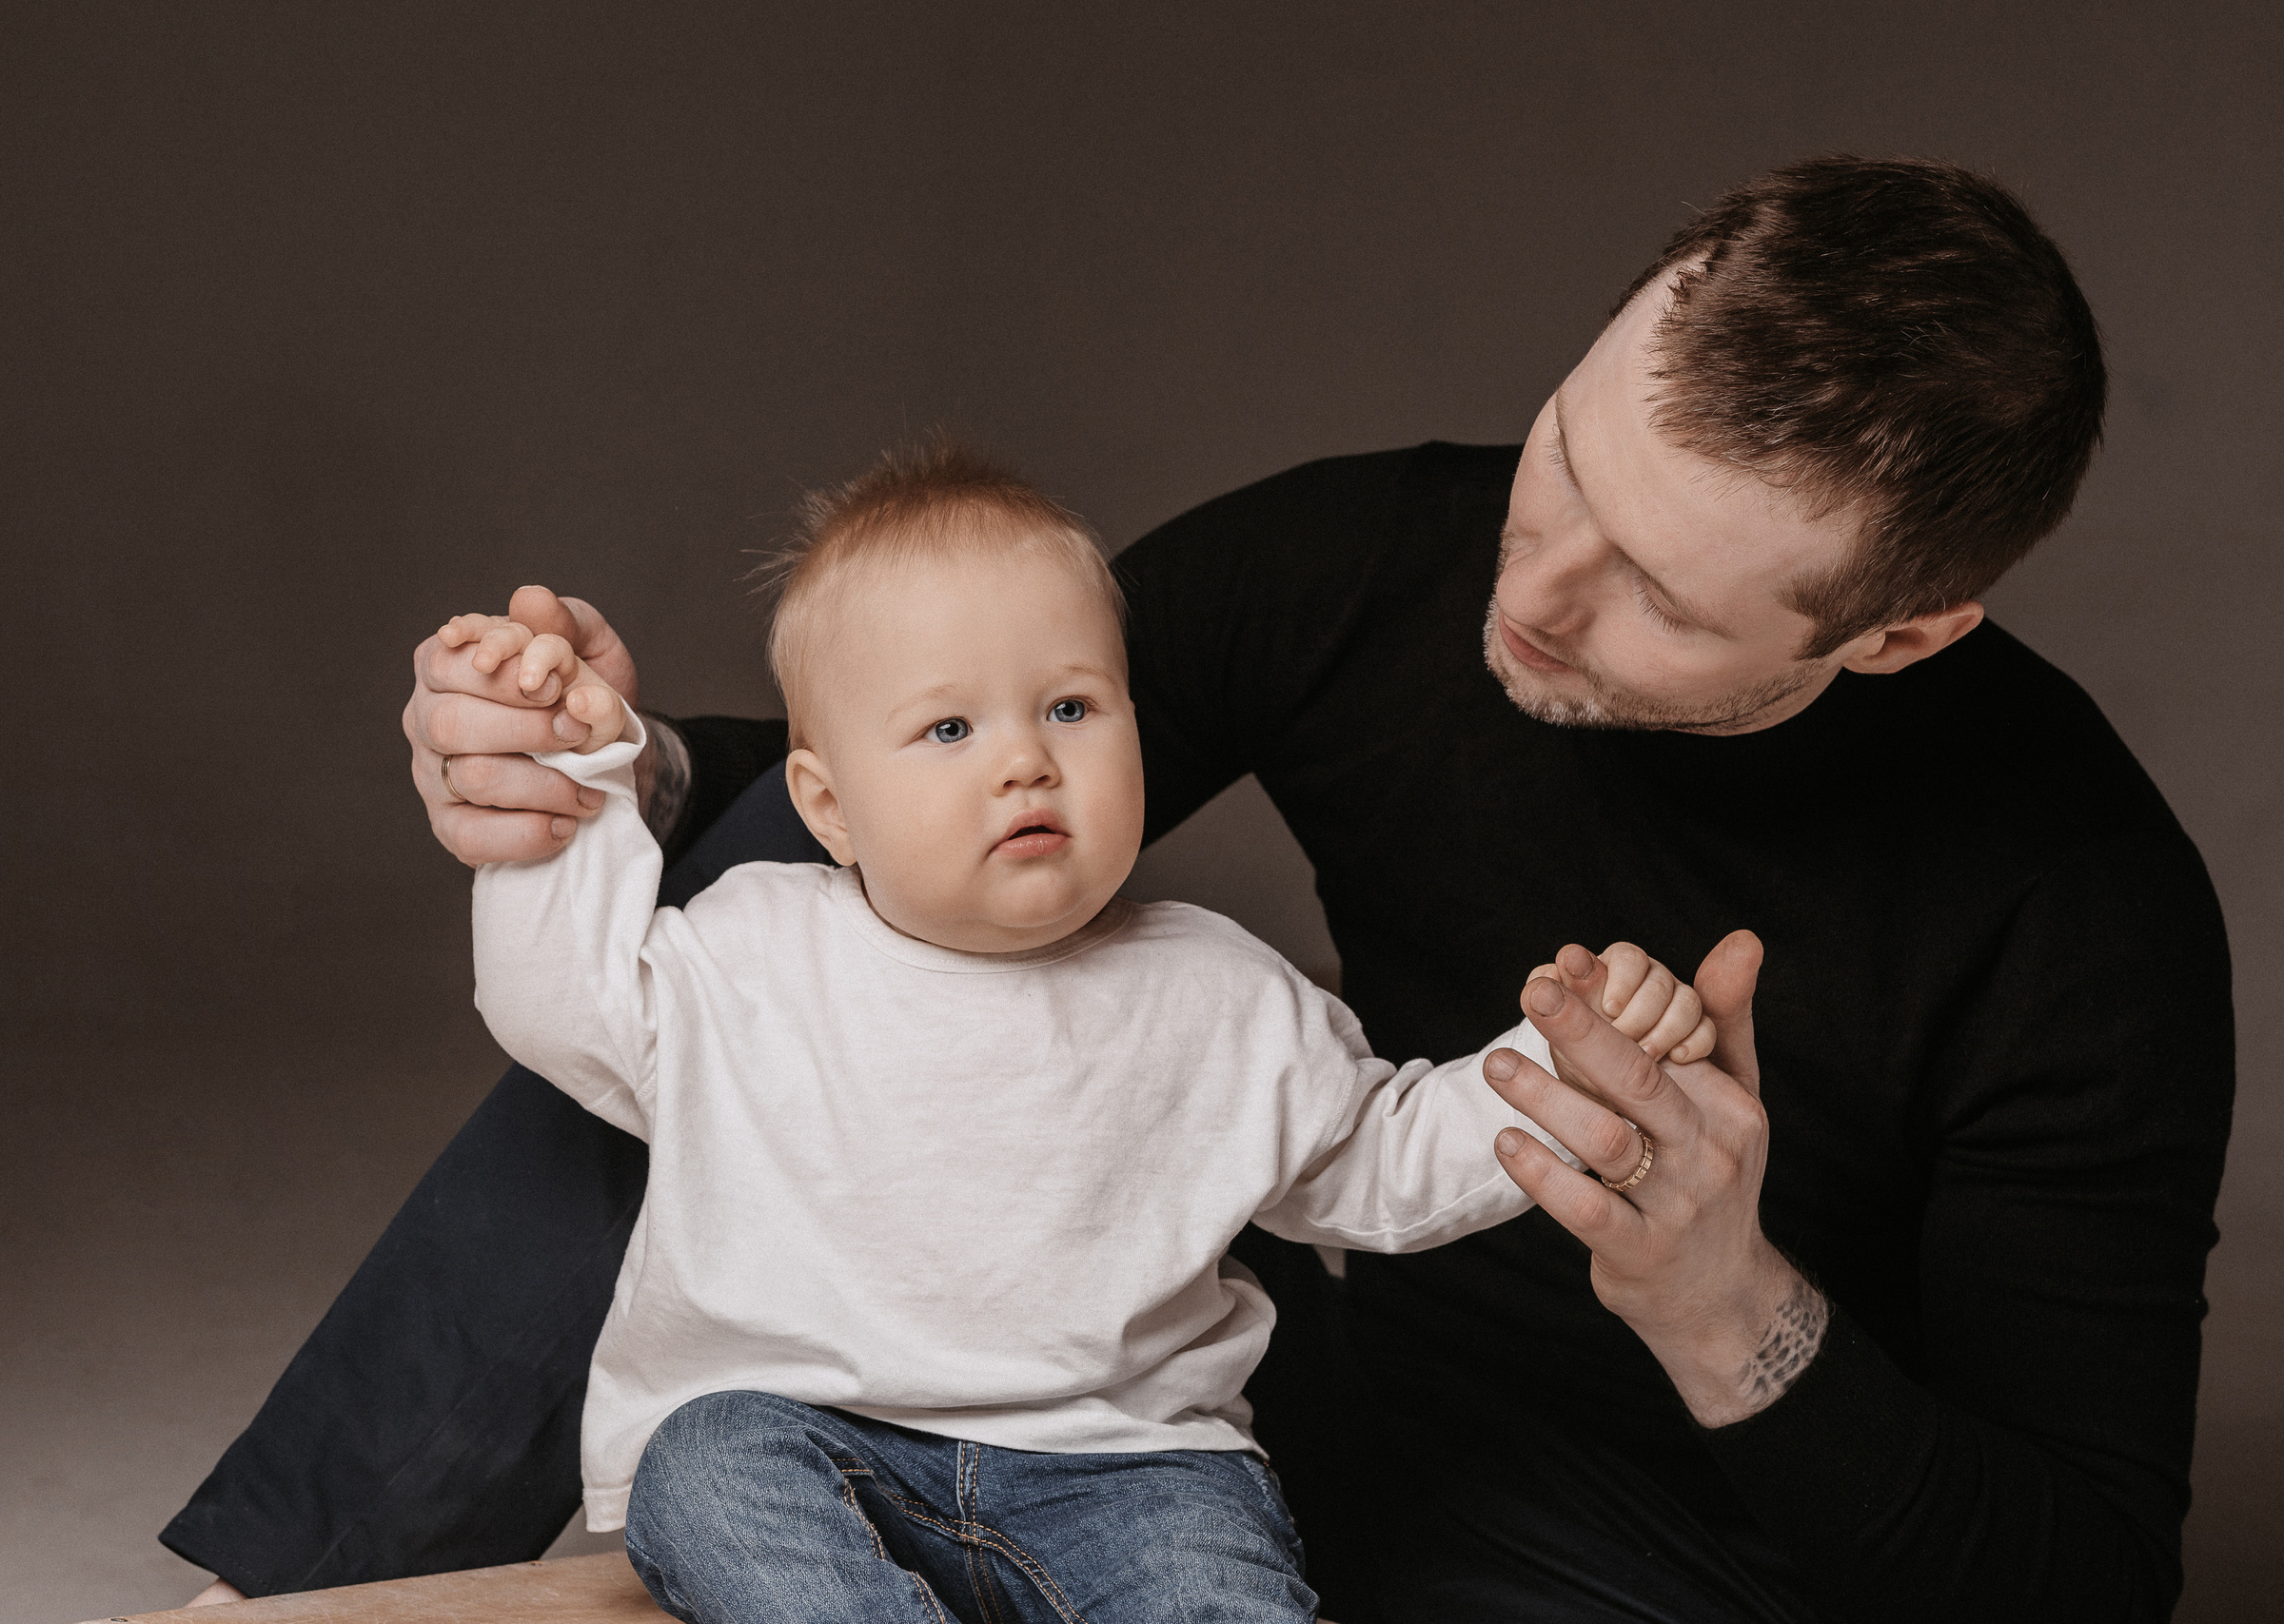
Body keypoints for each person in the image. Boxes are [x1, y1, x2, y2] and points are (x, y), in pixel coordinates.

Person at [167, 157, 2234, 1623]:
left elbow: (2064, 1572)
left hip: (1644, 1542)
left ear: (1894, 633)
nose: (1532, 588)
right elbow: (950, 773)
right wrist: (594, 763)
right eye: (1563, 465)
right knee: (739, 961)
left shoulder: (2082, 915)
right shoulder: (1372, 565)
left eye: (1653, 593)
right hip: (1232, 1408)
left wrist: (1720, 1300)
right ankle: (310, 1581)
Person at [443, 444, 1715, 1620]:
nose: (1026, 765)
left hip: (1136, 1469)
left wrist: (1573, 1068)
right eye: (950, 729)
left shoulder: (1218, 990)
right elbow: (560, 1000)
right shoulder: (751, 951)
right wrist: (575, 790)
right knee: (703, 1467)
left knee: (1219, 1581)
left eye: (1070, 709)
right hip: (811, 1432)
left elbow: (1379, 1162)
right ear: (829, 806)